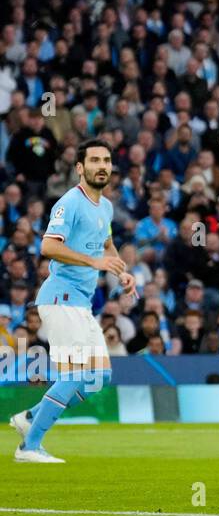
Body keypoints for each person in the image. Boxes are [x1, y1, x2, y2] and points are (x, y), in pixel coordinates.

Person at [9, 139, 137, 462]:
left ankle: (29, 418)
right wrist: (93, 262)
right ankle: (29, 447)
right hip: (60, 298)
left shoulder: (105, 206)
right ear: (80, 168)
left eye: (106, 160)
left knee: (99, 377)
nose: (102, 166)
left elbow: (106, 245)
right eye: (94, 160)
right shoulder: (69, 202)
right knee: (77, 374)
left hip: (80, 304)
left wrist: (121, 271)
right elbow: (48, 247)